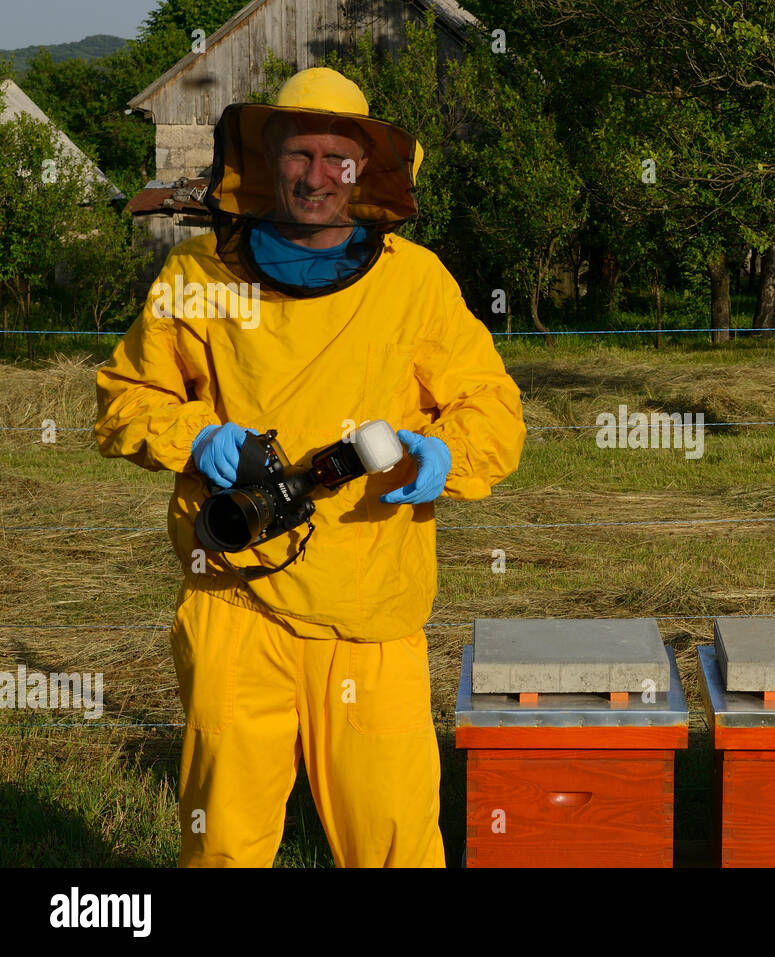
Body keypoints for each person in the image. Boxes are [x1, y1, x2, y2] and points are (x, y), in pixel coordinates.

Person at [94, 67, 526, 867]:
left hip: (369, 611)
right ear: (267, 160)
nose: (318, 174)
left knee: (394, 842)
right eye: (300, 153)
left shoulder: (415, 282)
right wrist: (196, 437)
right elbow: (123, 397)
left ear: (368, 170)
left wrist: (444, 453)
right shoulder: (198, 277)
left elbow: (494, 410)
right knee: (222, 842)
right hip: (234, 603)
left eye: (339, 156)